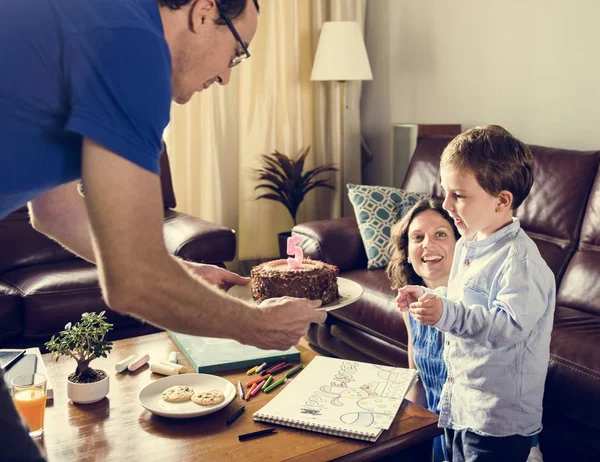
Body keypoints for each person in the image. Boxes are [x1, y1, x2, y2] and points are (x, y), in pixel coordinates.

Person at [0, 0, 326, 460]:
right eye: (237, 52)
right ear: (203, 12)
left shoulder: (100, 26)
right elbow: (135, 281)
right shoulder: (136, 47)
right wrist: (258, 327)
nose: (227, 76)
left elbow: (54, 211)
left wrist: (179, 270)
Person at [397, 125, 554, 462]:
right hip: (462, 402)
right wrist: (430, 297)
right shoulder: (470, 242)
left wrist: (446, 314)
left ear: (502, 200)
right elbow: (463, 304)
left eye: (460, 195)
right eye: (445, 192)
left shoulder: (520, 263)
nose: (446, 204)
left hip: (496, 418)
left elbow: (507, 328)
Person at [388, 198, 461, 462]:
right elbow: (417, 381)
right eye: (417, 237)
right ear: (408, 253)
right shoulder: (411, 307)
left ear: (460, 243)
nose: (427, 244)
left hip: (478, 438)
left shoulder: (475, 309)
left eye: (440, 234)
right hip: (436, 435)